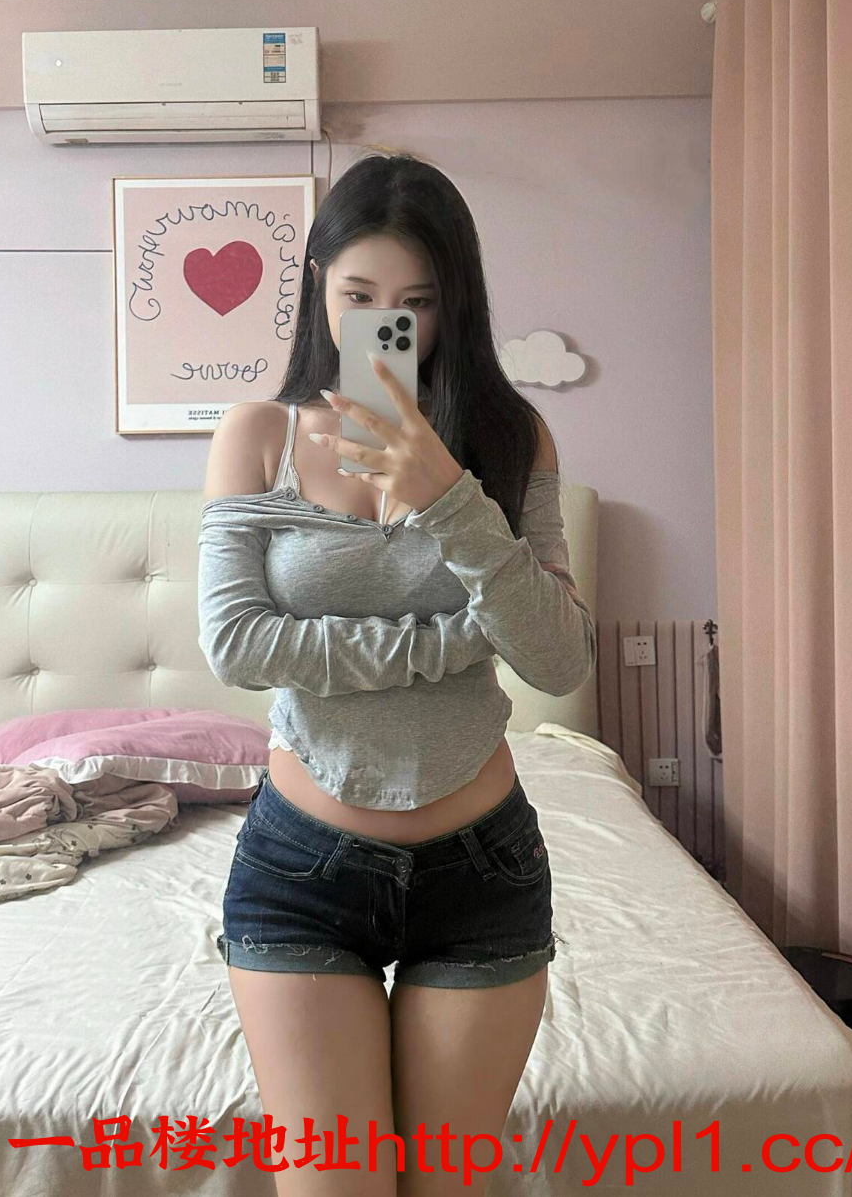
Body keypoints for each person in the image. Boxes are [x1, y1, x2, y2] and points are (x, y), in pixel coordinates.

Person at [198, 153, 596, 1197]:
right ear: (317, 287)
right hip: (302, 869)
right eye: (361, 295)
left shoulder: (508, 440)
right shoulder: (260, 435)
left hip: (482, 871)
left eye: (417, 302)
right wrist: (452, 640)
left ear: (455, 301)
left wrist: (450, 494)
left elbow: (558, 659)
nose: (391, 324)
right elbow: (239, 645)